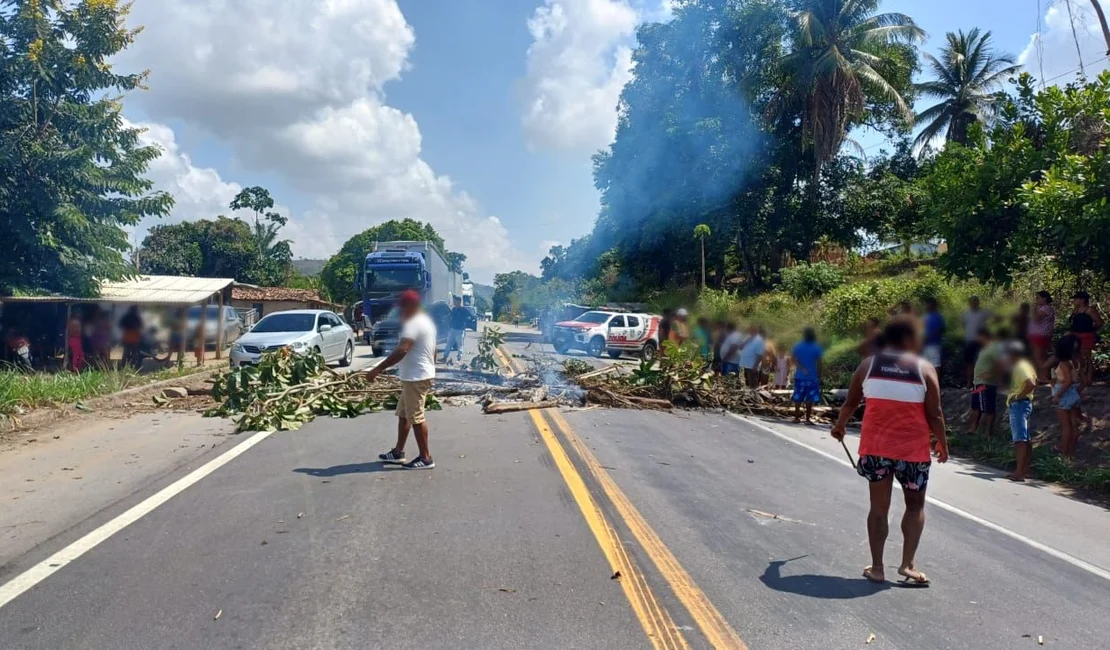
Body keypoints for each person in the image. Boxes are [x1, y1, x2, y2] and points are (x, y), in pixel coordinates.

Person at [831, 317, 948, 585]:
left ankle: (877, 568)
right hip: (913, 452)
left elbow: (850, 403)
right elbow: (935, 413)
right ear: (909, 339)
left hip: (876, 449)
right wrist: (942, 442)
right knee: (915, 505)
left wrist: (840, 425)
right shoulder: (925, 369)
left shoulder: (868, 365)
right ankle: (907, 565)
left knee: (878, 508)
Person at [369, 290, 438, 470]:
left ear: (412, 306)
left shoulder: (414, 323)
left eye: (403, 308)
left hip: (416, 377)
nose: (401, 312)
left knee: (416, 417)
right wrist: (431, 367)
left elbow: (402, 350)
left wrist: (377, 369)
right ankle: (398, 452)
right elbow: (433, 350)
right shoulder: (426, 322)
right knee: (404, 414)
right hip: (416, 375)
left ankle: (426, 457)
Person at [1004, 342, 1037, 482]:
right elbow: (1036, 380)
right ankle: (1025, 469)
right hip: (1024, 404)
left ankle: (1019, 472)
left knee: (1020, 440)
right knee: (1025, 438)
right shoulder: (1026, 365)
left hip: (1019, 405)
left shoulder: (1019, 367)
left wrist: (1018, 396)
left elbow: (1031, 383)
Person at [968, 327, 1002, 437]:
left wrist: (991, 374)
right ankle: (973, 428)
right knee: (975, 406)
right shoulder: (983, 349)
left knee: (988, 408)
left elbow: (1000, 363)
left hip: (986, 383)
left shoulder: (994, 348)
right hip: (977, 382)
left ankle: (987, 432)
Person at [1051, 337, 1082, 459]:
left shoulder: (1063, 363)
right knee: (1073, 425)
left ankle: (1063, 452)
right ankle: (1071, 453)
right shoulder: (1074, 361)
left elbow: (1068, 380)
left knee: (1066, 427)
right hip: (1073, 393)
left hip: (1064, 394)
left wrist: (1058, 395)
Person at [1068, 291, 1103, 388]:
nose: (1074, 301)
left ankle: (1088, 379)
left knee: (1086, 357)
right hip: (1075, 335)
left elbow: (1099, 322)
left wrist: (1090, 330)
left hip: (1086, 336)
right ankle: (1080, 377)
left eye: (1076, 299)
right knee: (1075, 355)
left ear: (1082, 300)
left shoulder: (1089, 310)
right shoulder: (1076, 310)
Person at [791, 328, 823, 424]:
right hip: (812, 377)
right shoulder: (817, 347)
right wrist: (819, 376)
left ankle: (796, 417)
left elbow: (793, 359)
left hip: (800, 376)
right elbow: (820, 363)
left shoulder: (797, 346)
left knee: (798, 397)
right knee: (810, 398)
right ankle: (807, 419)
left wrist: (801, 367)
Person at [961, 296, 990, 386]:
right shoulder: (965, 314)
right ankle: (969, 383)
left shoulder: (983, 313)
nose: (974, 303)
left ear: (978, 302)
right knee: (969, 362)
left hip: (980, 341)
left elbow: (992, 321)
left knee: (981, 362)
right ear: (969, 303)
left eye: (975, 301)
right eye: (972, 302)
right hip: (969, 340)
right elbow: (964, 325)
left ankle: (981, 382)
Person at [1029, 291, 1055, 383]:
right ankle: (1045, 376)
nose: (1037, 300)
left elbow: (1036, 318)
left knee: (1038, 356)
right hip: (1040, 334)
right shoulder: (1040, 308)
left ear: (1044, 298)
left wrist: (1033, 311)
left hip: (1041, 334)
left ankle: (1043, 377)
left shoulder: (1046, 309)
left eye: (1039, 298)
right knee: (1042, 356)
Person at [443, 296, 469, 364]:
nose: (454, 302)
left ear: (459, 301)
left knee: (459, 345)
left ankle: (459, 359)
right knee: (448, 343)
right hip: (453, 329)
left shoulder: (464, 310)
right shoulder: (454, 309)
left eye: (455, 301)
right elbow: (450, 316)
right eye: (454, 301)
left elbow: (469, 317)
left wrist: (464, 323)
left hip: (459, 330)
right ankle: (445, 357)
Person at [921, 297, 945, 370]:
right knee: (925, 365)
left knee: (935, 365)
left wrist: (925, 338)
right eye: (925, 304)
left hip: (934, 345)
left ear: (933, 305)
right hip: (925, 345)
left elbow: (938, 330)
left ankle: (936, 381)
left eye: (927, 304)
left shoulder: (937, 317)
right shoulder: (925, 316)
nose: (926, 306)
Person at [119, 306, 144, 370]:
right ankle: (131, 366)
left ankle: (126, 366)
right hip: (130, 336)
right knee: (131, 353)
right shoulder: (135, 317)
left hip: (130, 336)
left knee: (128, 353)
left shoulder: (129, 317)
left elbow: (121, 325)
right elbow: (140, 326)